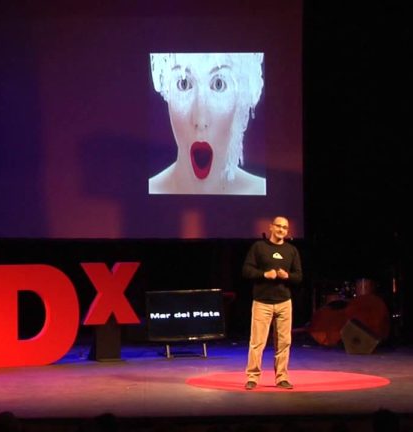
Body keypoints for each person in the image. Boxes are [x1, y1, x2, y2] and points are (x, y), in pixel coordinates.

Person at [148, 52, 266, 195]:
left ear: (241, 96)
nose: (200, 120)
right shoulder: (144, 192)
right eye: (184, 84)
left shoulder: (261, 191)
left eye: (219, 84)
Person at [242, 216, 302, 390]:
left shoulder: (291, 250)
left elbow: (299, 276)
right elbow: (246, 270)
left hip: (284, 302)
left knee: (284, 342)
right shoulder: (259, 247)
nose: (282, 230)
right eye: (278, 226)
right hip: (262, 302)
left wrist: (287, 276)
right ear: (271, 227)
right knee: (257, 342)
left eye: (285, 227)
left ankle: (282, 377)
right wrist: (264, 274)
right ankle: (252, 377)